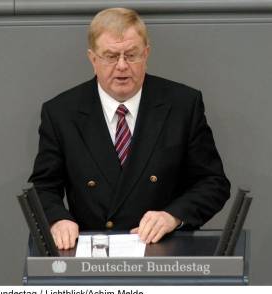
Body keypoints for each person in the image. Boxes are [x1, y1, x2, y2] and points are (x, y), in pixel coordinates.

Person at [28, 7, 230, 250]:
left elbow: (213, 183)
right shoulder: (61, 112)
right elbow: (43, 187)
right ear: (93, 59)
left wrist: (172, 216)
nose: (122, 66)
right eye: (111, 56)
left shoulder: (182, 105)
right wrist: (57, 219)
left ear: (146, 54)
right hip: (93, 256)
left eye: (131, 55)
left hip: (163, 252)